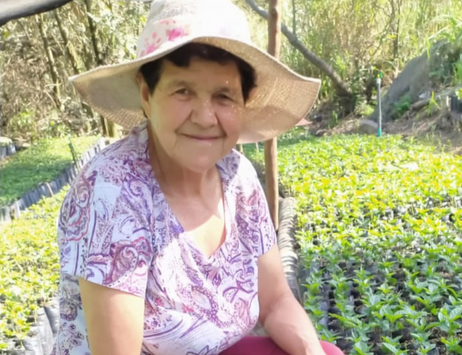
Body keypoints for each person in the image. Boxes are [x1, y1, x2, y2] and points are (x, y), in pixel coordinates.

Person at [51, 1, 343, 354]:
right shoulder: (113, 192)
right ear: (147, 94)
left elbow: (277, 299)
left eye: (223, 96)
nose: (205, 117)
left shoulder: (239, 179)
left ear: (243, 102)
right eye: (183, 91)